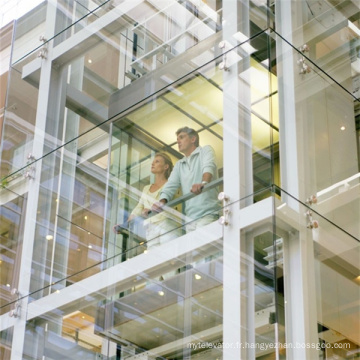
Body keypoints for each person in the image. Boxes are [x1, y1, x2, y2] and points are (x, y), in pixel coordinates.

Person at [152, 127, 220, 230]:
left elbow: (209, 167)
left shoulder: (206, 150)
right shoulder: (179, 164)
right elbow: (170, 185)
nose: (178, 141)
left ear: (193, 139)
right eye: (177, 139)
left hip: (208, 214)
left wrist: (204, 183)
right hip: (190, 219)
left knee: (204, 245)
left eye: (182, 137)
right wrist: (162, 201)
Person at [114, 152, 181, 248]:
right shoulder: (146, 188)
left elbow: (166, 199)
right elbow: (139, 208)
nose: (152, 164)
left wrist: (150, 211)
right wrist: (125, 224)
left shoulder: (171, 184)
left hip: (166, 224)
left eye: (157, 161)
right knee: (154, 260)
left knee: (169, 256)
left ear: (166, 166)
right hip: (150, 228)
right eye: (153, 162)